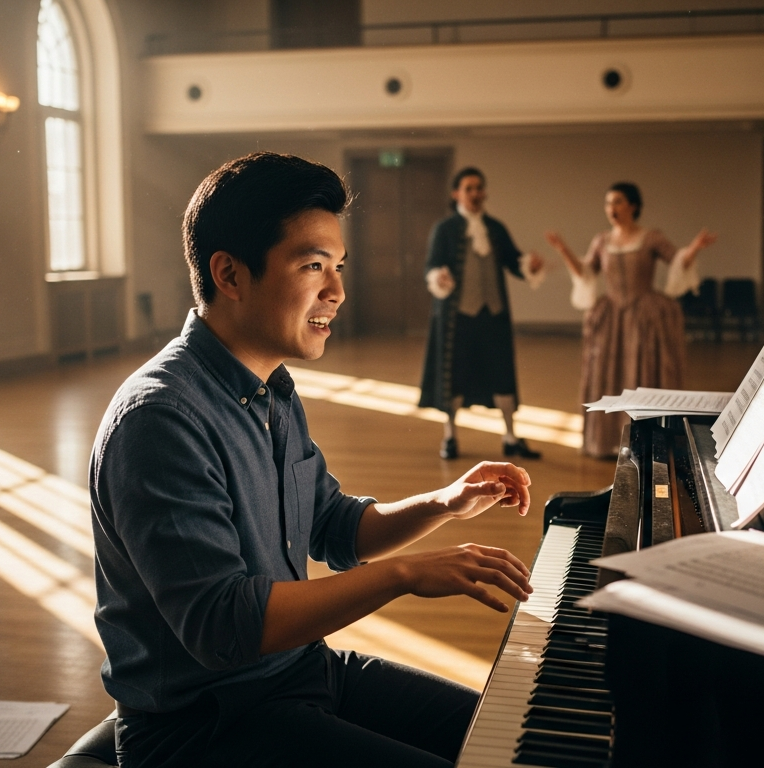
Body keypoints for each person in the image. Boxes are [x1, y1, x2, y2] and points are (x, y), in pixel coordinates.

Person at [91, 152, 536, 768]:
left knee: (515, 741)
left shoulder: (271, 388)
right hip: (203, 728)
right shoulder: (160, 419)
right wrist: (406, 575)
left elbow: (334, 526)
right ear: (230, 274)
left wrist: (445, 502)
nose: (338, 291)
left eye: (339, 266)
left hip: (301, 673)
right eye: (313, 266)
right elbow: (226, 628)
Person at [545, 182, 717, 458]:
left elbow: (677, 261)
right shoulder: (602, 240)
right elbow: (587, 272)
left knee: (644, 372)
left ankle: (649, 442)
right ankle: (608, 442)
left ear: (633, 206)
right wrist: (563, 250)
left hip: (645, 315)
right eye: (608, 203)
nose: (611, 208)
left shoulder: (650, 238)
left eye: (618, 202)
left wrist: (694, 248)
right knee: (608, 374)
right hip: (611, 316)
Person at [419, 167, 545, 461]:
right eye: (469, 188)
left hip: (493, 315)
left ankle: (511, 437)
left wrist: (531, 266)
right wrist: (440, 277)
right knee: (455, 376)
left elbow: (515, 262)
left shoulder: (495, 228)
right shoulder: (445, 229)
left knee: (502, 374)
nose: (475, 193)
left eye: (479, 188)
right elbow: (432, 266)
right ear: (456, 194)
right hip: (457, 318)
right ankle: (450, 437)